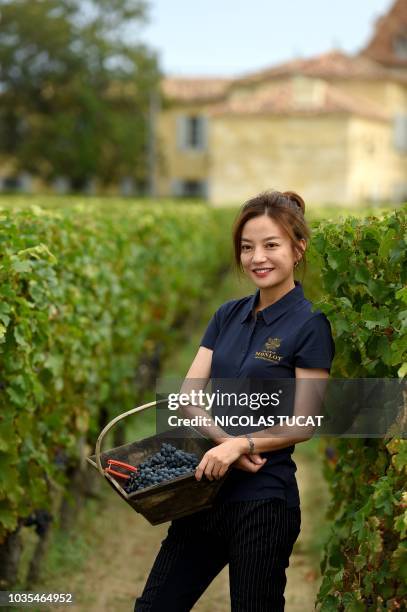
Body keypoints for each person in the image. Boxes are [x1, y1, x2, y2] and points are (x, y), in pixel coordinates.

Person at [134, 190, 335, 612]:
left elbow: (304, 423)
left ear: (298, 249)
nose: (257, 257)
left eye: (271, 245)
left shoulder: (310, 325)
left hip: (263, 501)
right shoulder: (227, 314)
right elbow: (188, 398)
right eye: (247, 247)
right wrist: (225, 444)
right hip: (203, 492)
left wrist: (242, 445)